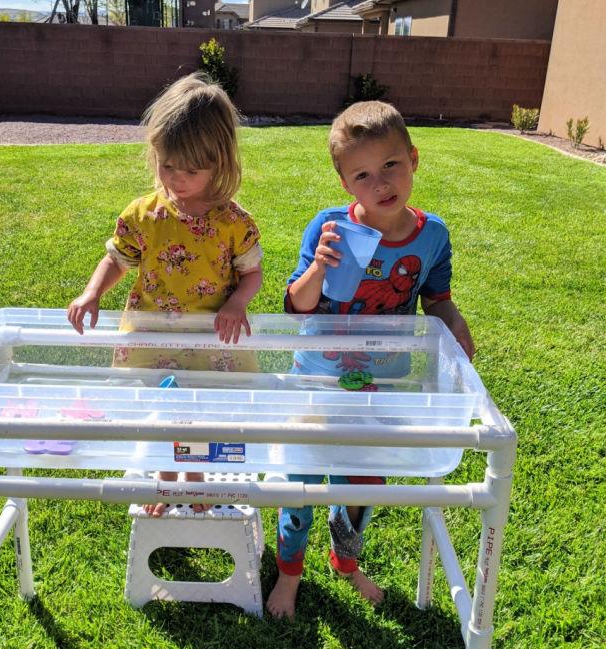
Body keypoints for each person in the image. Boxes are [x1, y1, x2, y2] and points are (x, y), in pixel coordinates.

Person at [267, 100, 474, 620]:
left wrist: (460, 344)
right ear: (345, 184)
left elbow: (438, 301)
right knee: (302, 477)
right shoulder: (328, 226)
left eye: (391, 166)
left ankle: (345, 562)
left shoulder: (433, 236)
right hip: (316, 375)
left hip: (383, 382)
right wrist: (319, 265)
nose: (381, 183)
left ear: (414, 159)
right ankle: (289, 573)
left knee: (362, 484)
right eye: (363, 174)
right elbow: (296, 307)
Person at [67, 72, 263, 516]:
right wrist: (92, 292)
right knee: (162, 410)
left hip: (210, 338)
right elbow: (118, 259)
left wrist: (237, 303)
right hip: (153, 333)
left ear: (220, 163)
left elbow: (252, 274)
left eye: (191, 170)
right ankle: (164, 477)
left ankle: (193, 481)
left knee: (198, 410)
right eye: (167, 164)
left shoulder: (234, 222)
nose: (176, 178)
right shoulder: (143, 214)